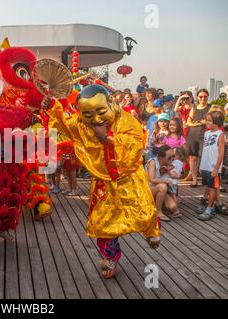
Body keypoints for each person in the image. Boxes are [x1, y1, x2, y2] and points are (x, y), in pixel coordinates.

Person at [47, 85, 160, 279]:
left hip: (129, 177)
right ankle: (110, 257)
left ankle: (150, 229)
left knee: (142, 209)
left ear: (110, 103)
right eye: (89, 115)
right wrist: (51, 106)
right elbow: (65, 124)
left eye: (100, 112)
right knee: (103, 222)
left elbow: (135, 143)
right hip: (102, 181)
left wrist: (107, 137)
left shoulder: (126, 120)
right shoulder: (83, 123)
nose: (97, 119)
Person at [197, 111, 226, 221]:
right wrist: (201, 165)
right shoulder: (207, 133)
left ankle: (210, 209)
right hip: (205, 165)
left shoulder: (220, 135)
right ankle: (210, 205)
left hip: (214, 168)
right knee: (208, 187)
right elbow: (205, 150)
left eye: (209, 120)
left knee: (213, 188)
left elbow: (221, 153)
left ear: (217, 122)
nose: (207, 122)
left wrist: (216, 168)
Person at [186, 89, 212, 187]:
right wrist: (201, 122)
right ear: (197, 97)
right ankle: (194, 180)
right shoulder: (194, 108)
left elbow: (214, 122)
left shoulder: (211, 108)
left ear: (208, 97)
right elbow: (188, 122)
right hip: (192, 135)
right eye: (201, 96)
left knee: (206, 158)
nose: (203, 98)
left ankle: (208, 180)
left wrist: (204, 123)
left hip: (206, 135)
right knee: (193, 158)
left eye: (205, 96)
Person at [146, 145, 180, 221]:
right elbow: (152, 179)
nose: (172, 159)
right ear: (161, 157)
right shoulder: (153, 162)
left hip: (161, 191)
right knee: (162, 186)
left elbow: (178, 176)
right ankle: (158, 212)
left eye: (173, 157)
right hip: (148, 190)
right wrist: (166, 181)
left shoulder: (169, 164)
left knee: (173, 207)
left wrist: (174, 176)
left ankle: (157, 206)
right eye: (169, 157)